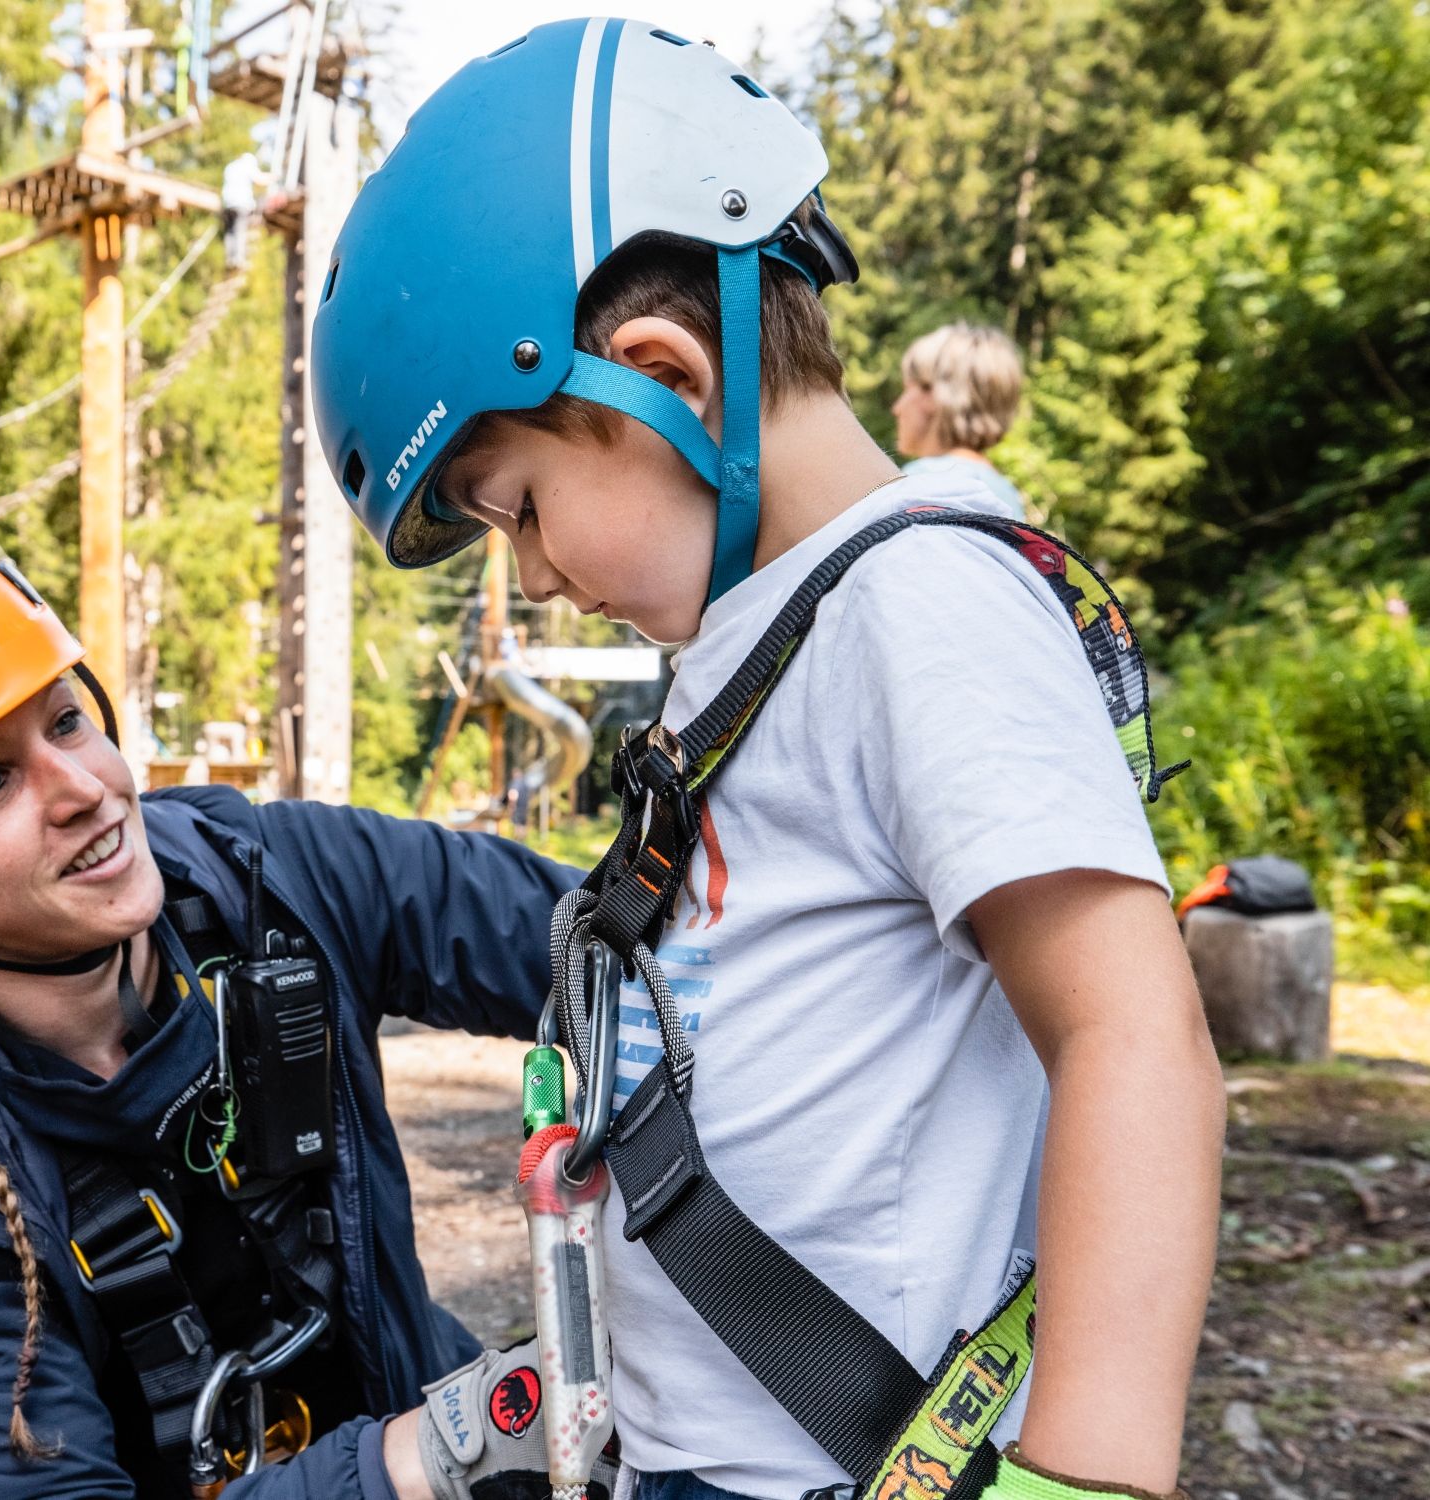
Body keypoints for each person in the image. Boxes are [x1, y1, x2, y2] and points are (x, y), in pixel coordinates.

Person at [311, 20, 1223, 1500]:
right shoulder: (768, 647)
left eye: (519, 505)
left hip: (848, 1465)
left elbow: (1136, 1039)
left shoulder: (917, 607)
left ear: (663, 376)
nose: (533, 576)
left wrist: (1090, 1476)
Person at [0, 524, 613, 1500]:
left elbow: (629, 955)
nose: (84, 790)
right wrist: (435, 1452)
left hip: (409, 1442)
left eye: (65, 723)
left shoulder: (274, 883)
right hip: (392, 1464)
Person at [892, 321, 1029, 519]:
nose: (897, 408)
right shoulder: (1006, 493)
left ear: (934, 394)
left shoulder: (923, 481)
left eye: (906, 389)